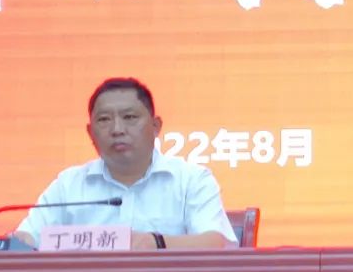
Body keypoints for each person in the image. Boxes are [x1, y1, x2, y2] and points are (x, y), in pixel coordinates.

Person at [15, 77, 237, 250]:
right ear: (90, 133)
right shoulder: (68, 185)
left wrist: (156, 243)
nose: (117, 129)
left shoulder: (191, 180)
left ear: (156, 126)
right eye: (104, 120)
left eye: (130, 117)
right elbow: (25, 241)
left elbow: (214, 243)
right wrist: (18, 242)